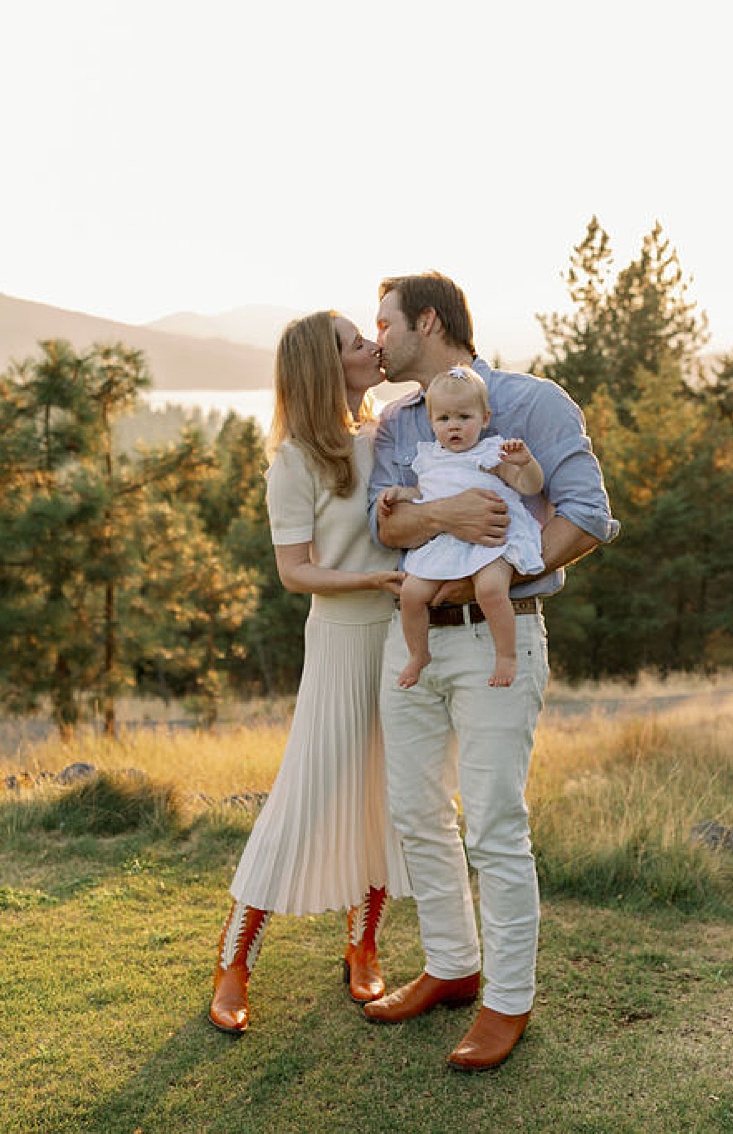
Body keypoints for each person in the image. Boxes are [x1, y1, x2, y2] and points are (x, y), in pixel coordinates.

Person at [362, 272, 618, 1071]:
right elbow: (389, 525)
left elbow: (586, 513)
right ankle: (450, 964)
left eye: (385, 324)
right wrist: (443, 517)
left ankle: (506, 1001)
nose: (376, 342)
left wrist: (493, 572)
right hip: (411, 643)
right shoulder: (400, 421)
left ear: (428, 322)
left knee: (496, 825)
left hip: (493, 639)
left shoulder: (534, 402)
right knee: (415, 811)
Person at [207, 310, 411, 1036]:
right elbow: (295, 573)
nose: (372, 348)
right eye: (357, 344)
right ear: (327, 367)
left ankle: (363, 946)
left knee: (392, 796)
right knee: (305, 797)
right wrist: (373, 584)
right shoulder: (294, 460)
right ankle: (234, 965)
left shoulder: (392, 427)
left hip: (403, 638)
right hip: (341, 639)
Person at [380, 366, 543, 689]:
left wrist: (526, 463)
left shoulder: (491, 453)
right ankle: (419, 653)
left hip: (490, 540)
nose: (454, 426)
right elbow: (426, 493)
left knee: (490, 590)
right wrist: (400, 494)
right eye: (444, 419)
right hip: (446, 541)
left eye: (464, 417)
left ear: (484, 418)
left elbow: (529, 487)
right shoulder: (428, 458)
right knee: (412, 594)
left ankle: (507, 655)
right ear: (432, 422)